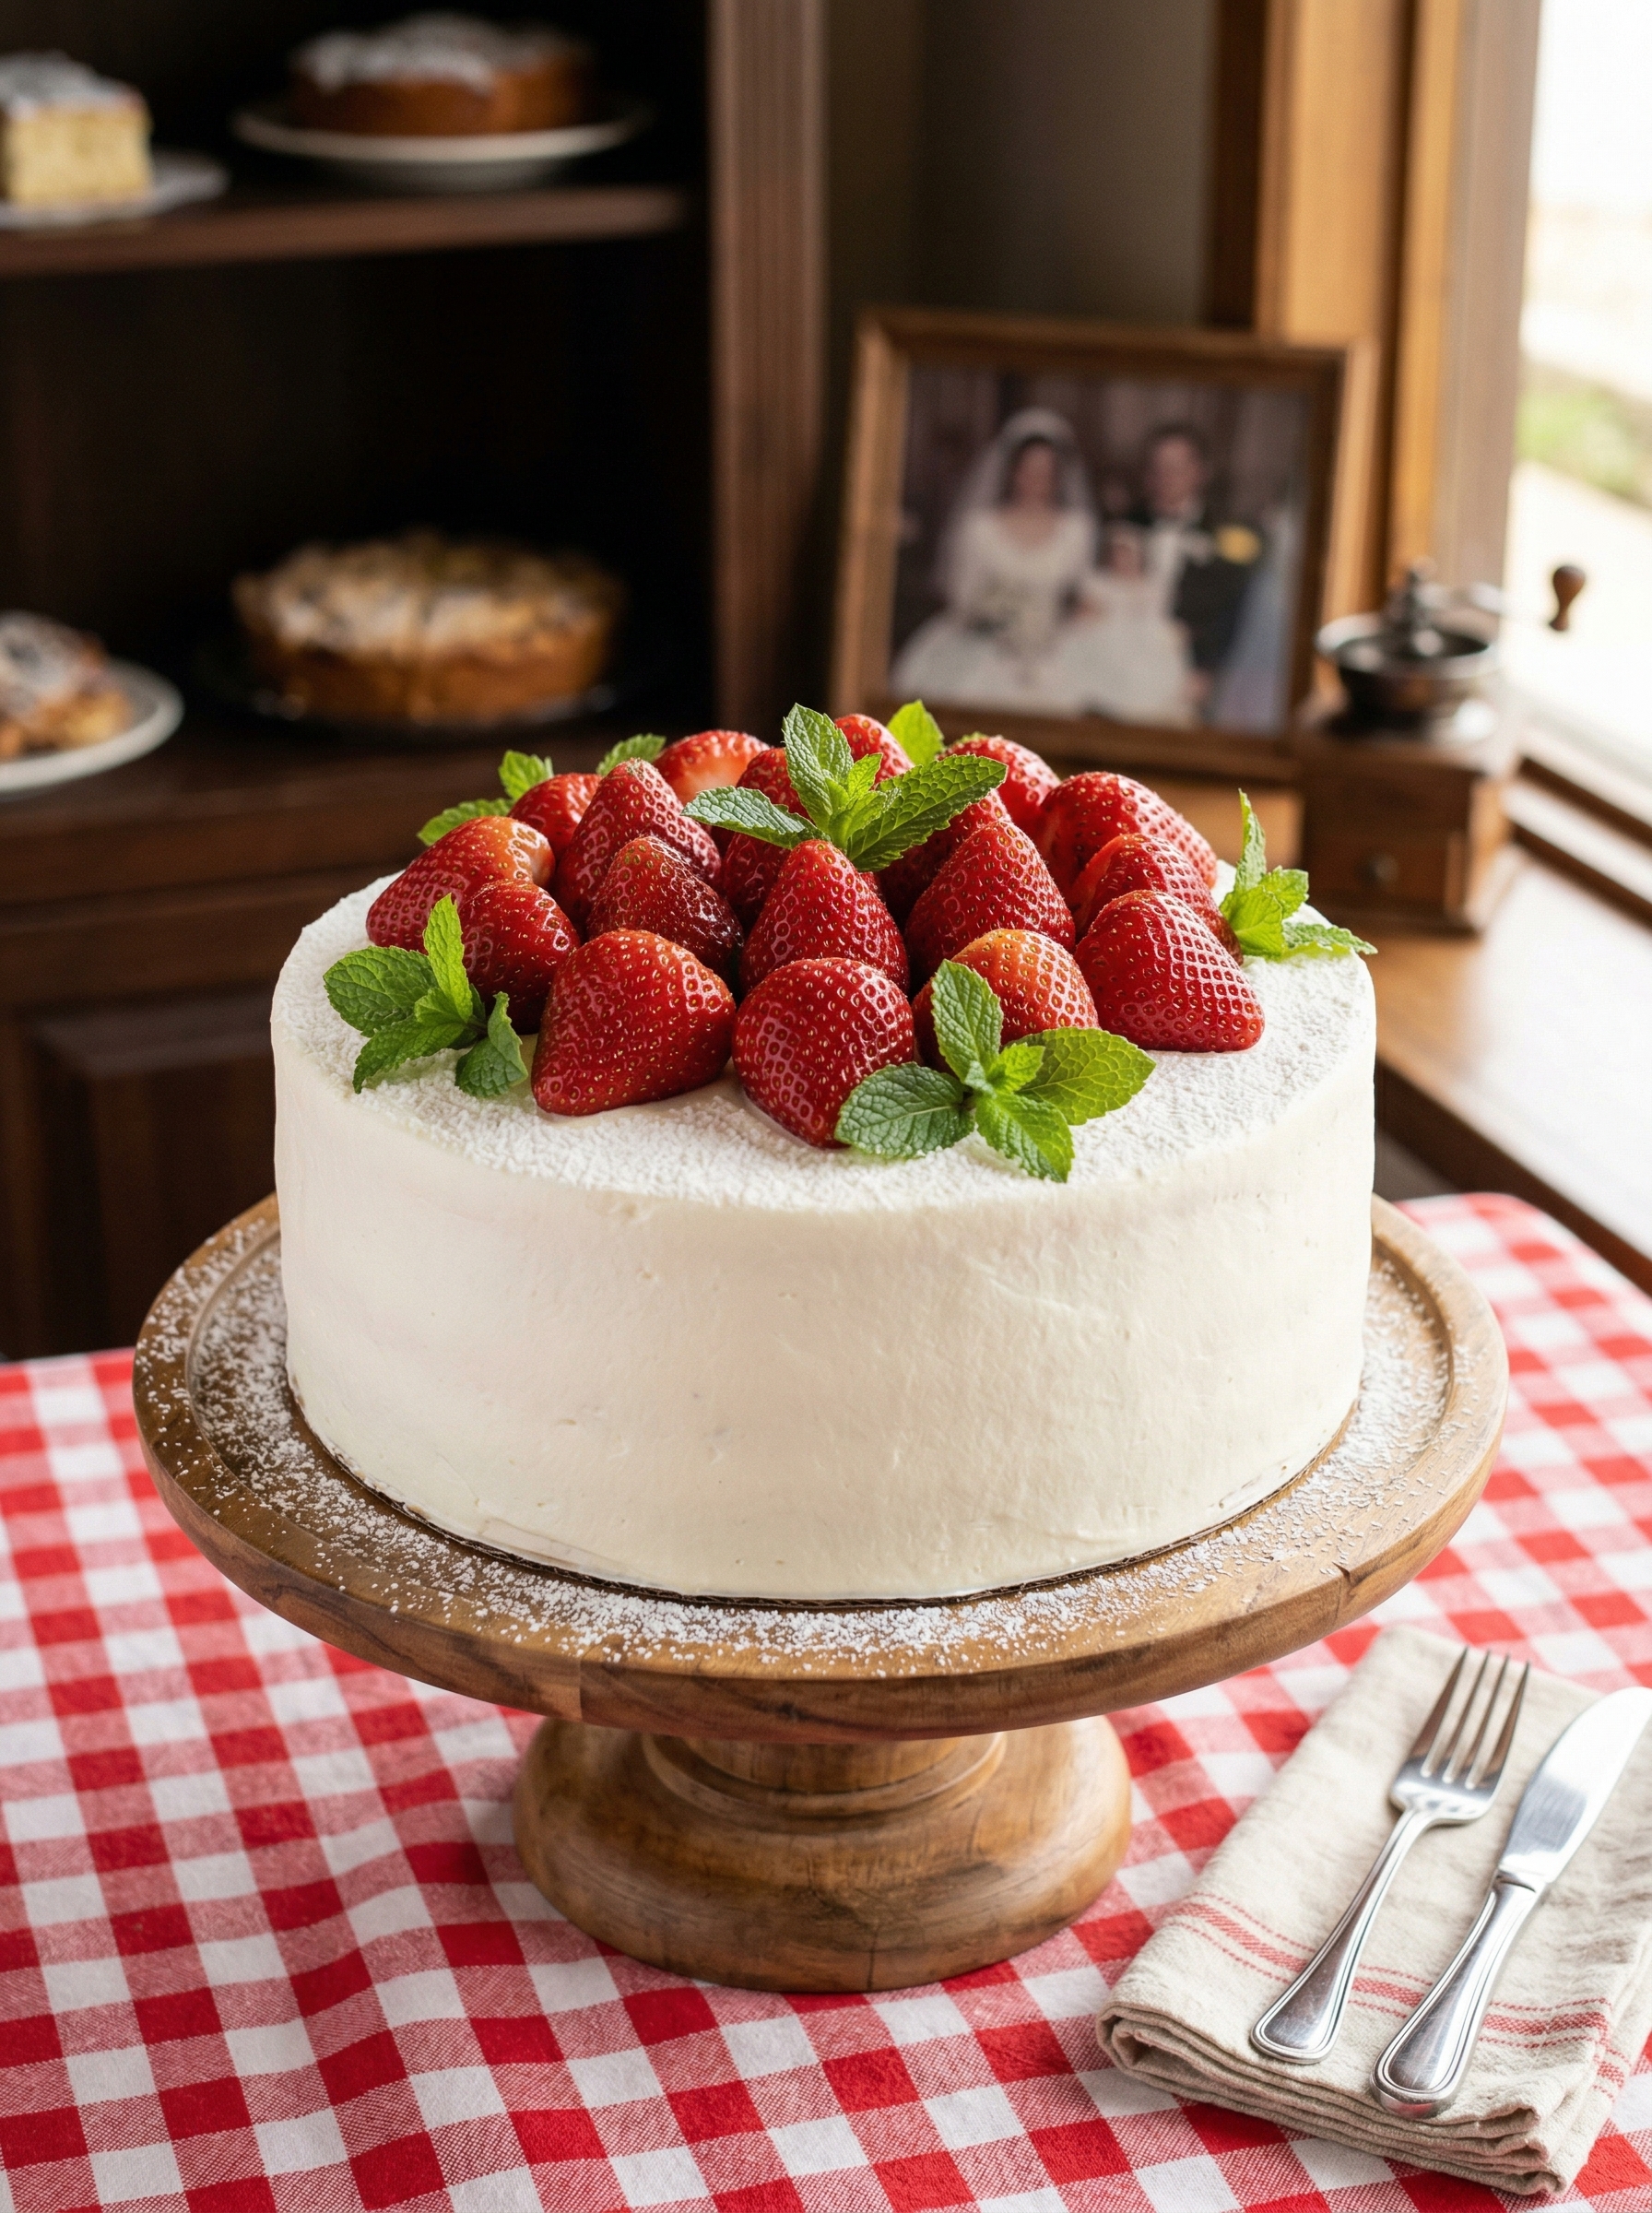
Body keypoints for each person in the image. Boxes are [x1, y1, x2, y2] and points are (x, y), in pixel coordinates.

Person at [891, 408, 1096, 711]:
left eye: (1047, 472)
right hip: (983, 641)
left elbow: (1084, 594)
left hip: (1053, 645)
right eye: (1028, 470)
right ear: (1012, 471)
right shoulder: (979, 527)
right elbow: (962, 596)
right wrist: (997, 620)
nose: (1037, 481)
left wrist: (1053, 624)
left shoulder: (1077, 529)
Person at [1127, 424, 1264, 713]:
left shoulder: (1230, 533)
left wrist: (1207, 668)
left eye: (1176, 468)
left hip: (1190, 667)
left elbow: (1234, 610)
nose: (1166, 478)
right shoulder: (1124, 525)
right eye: (1158, 468)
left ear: (1201, 472)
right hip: (1124, 653)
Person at [1054, 524, 1197, 725]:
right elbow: (1084, 616)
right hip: (1106, 644)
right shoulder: (1099, 583)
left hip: (1146, 646)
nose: (1122, 559)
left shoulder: (1153, 587)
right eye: (1117, 554)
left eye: (1128, 553)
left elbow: (1161, 618)